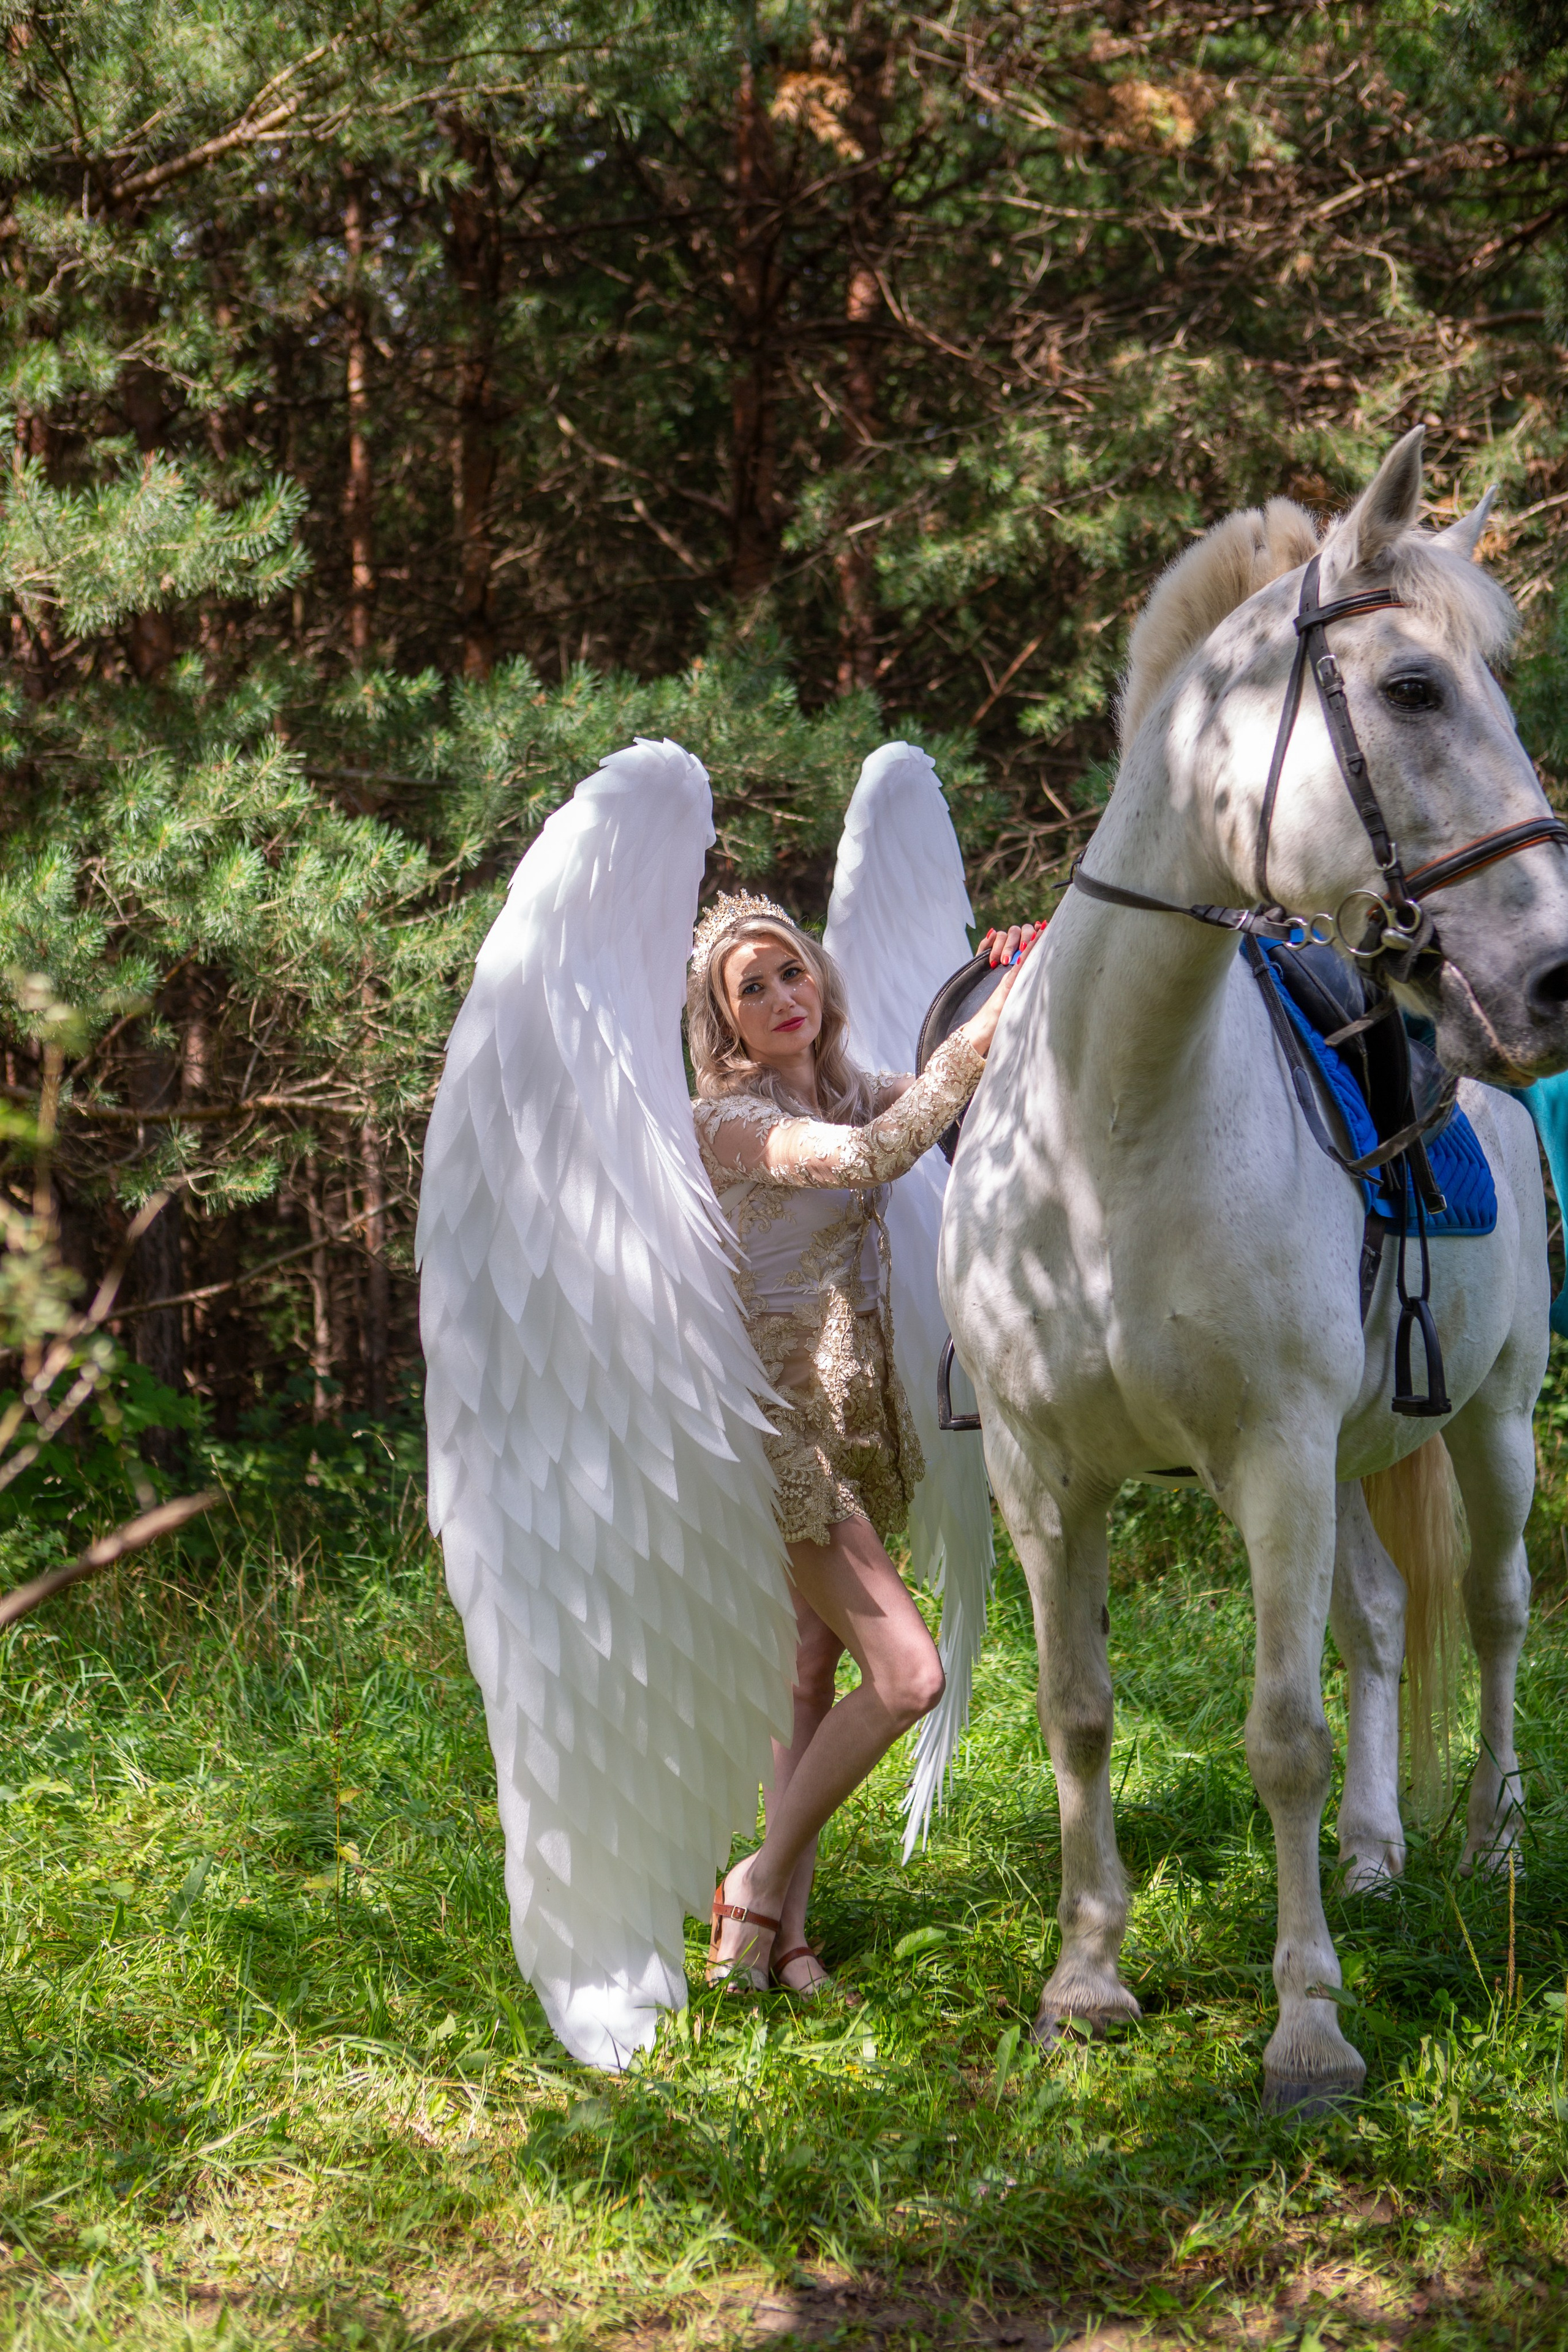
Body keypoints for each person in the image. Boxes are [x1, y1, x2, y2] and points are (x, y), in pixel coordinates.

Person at [687, 894, 1042, 1994]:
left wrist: (1016, 967)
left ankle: (784, 1946)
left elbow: (951, 1091)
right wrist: (986, 1029)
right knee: (909, 1675)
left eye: (792, 972)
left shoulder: (854, 1083)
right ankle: (752, 1885)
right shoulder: (727, 1123)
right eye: (753, 989)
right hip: (776, 1433)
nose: (783, 998)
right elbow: (873, 1156)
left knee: (808, 1672)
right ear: (724, 1024)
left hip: (858, 1427)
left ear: (821, 978)